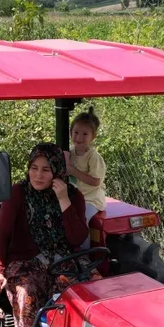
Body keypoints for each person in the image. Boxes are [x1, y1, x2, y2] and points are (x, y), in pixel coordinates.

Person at [0, 143, 89, 327]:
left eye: (45, 169)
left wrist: (63, 200)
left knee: (85, 291)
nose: (38, 175)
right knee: (27, 291)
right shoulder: (17, 193)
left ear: (57, 171)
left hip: (63, 259)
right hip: (25, 262)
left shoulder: (74, 196)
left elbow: (77, 238)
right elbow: (1, 236)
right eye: (34, 168)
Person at [65, 107, 106, 249]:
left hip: (91, 199)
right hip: (75, 197)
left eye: (85, 134)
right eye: (76, 133)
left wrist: (73, 171)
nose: (79, 137)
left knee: (82, 220)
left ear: (92, 137)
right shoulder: (70, 153)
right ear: (70, 132)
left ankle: (84, 254)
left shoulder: (93, 157)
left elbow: (96, 181)